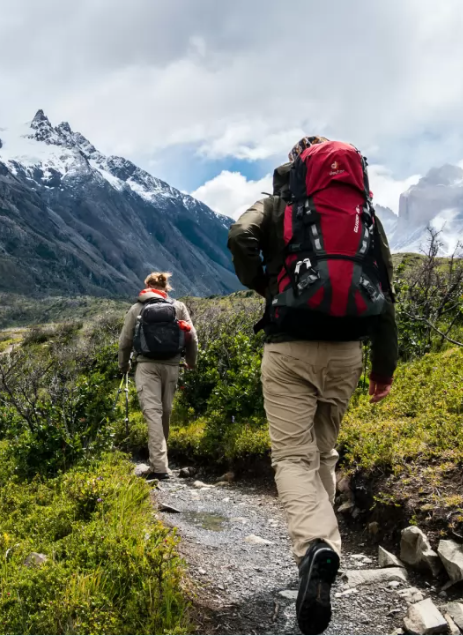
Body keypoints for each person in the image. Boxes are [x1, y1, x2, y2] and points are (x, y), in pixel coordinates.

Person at [227, 136, 398, 635]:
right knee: (324, 453)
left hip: (290, 346)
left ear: (297, 165)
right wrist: (383, 368)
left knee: (291, 458)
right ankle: (323, 551)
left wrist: (265, 283)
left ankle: (315, 548)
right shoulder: (362, 213)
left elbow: (240, 236)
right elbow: (384, 285)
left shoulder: (280, 204)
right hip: (348, 351)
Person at [117, 272, 198, 480]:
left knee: (152, 412)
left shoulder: (137, 308)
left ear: (147, 286)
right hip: (172, 366)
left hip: (146, 366)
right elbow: (192, 336)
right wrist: (191, 362)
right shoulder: (178, 307)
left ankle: (160, 466)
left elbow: (125, 341)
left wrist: (124, 365)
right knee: (165, 412)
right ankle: (161, 461)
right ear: (166, 287)